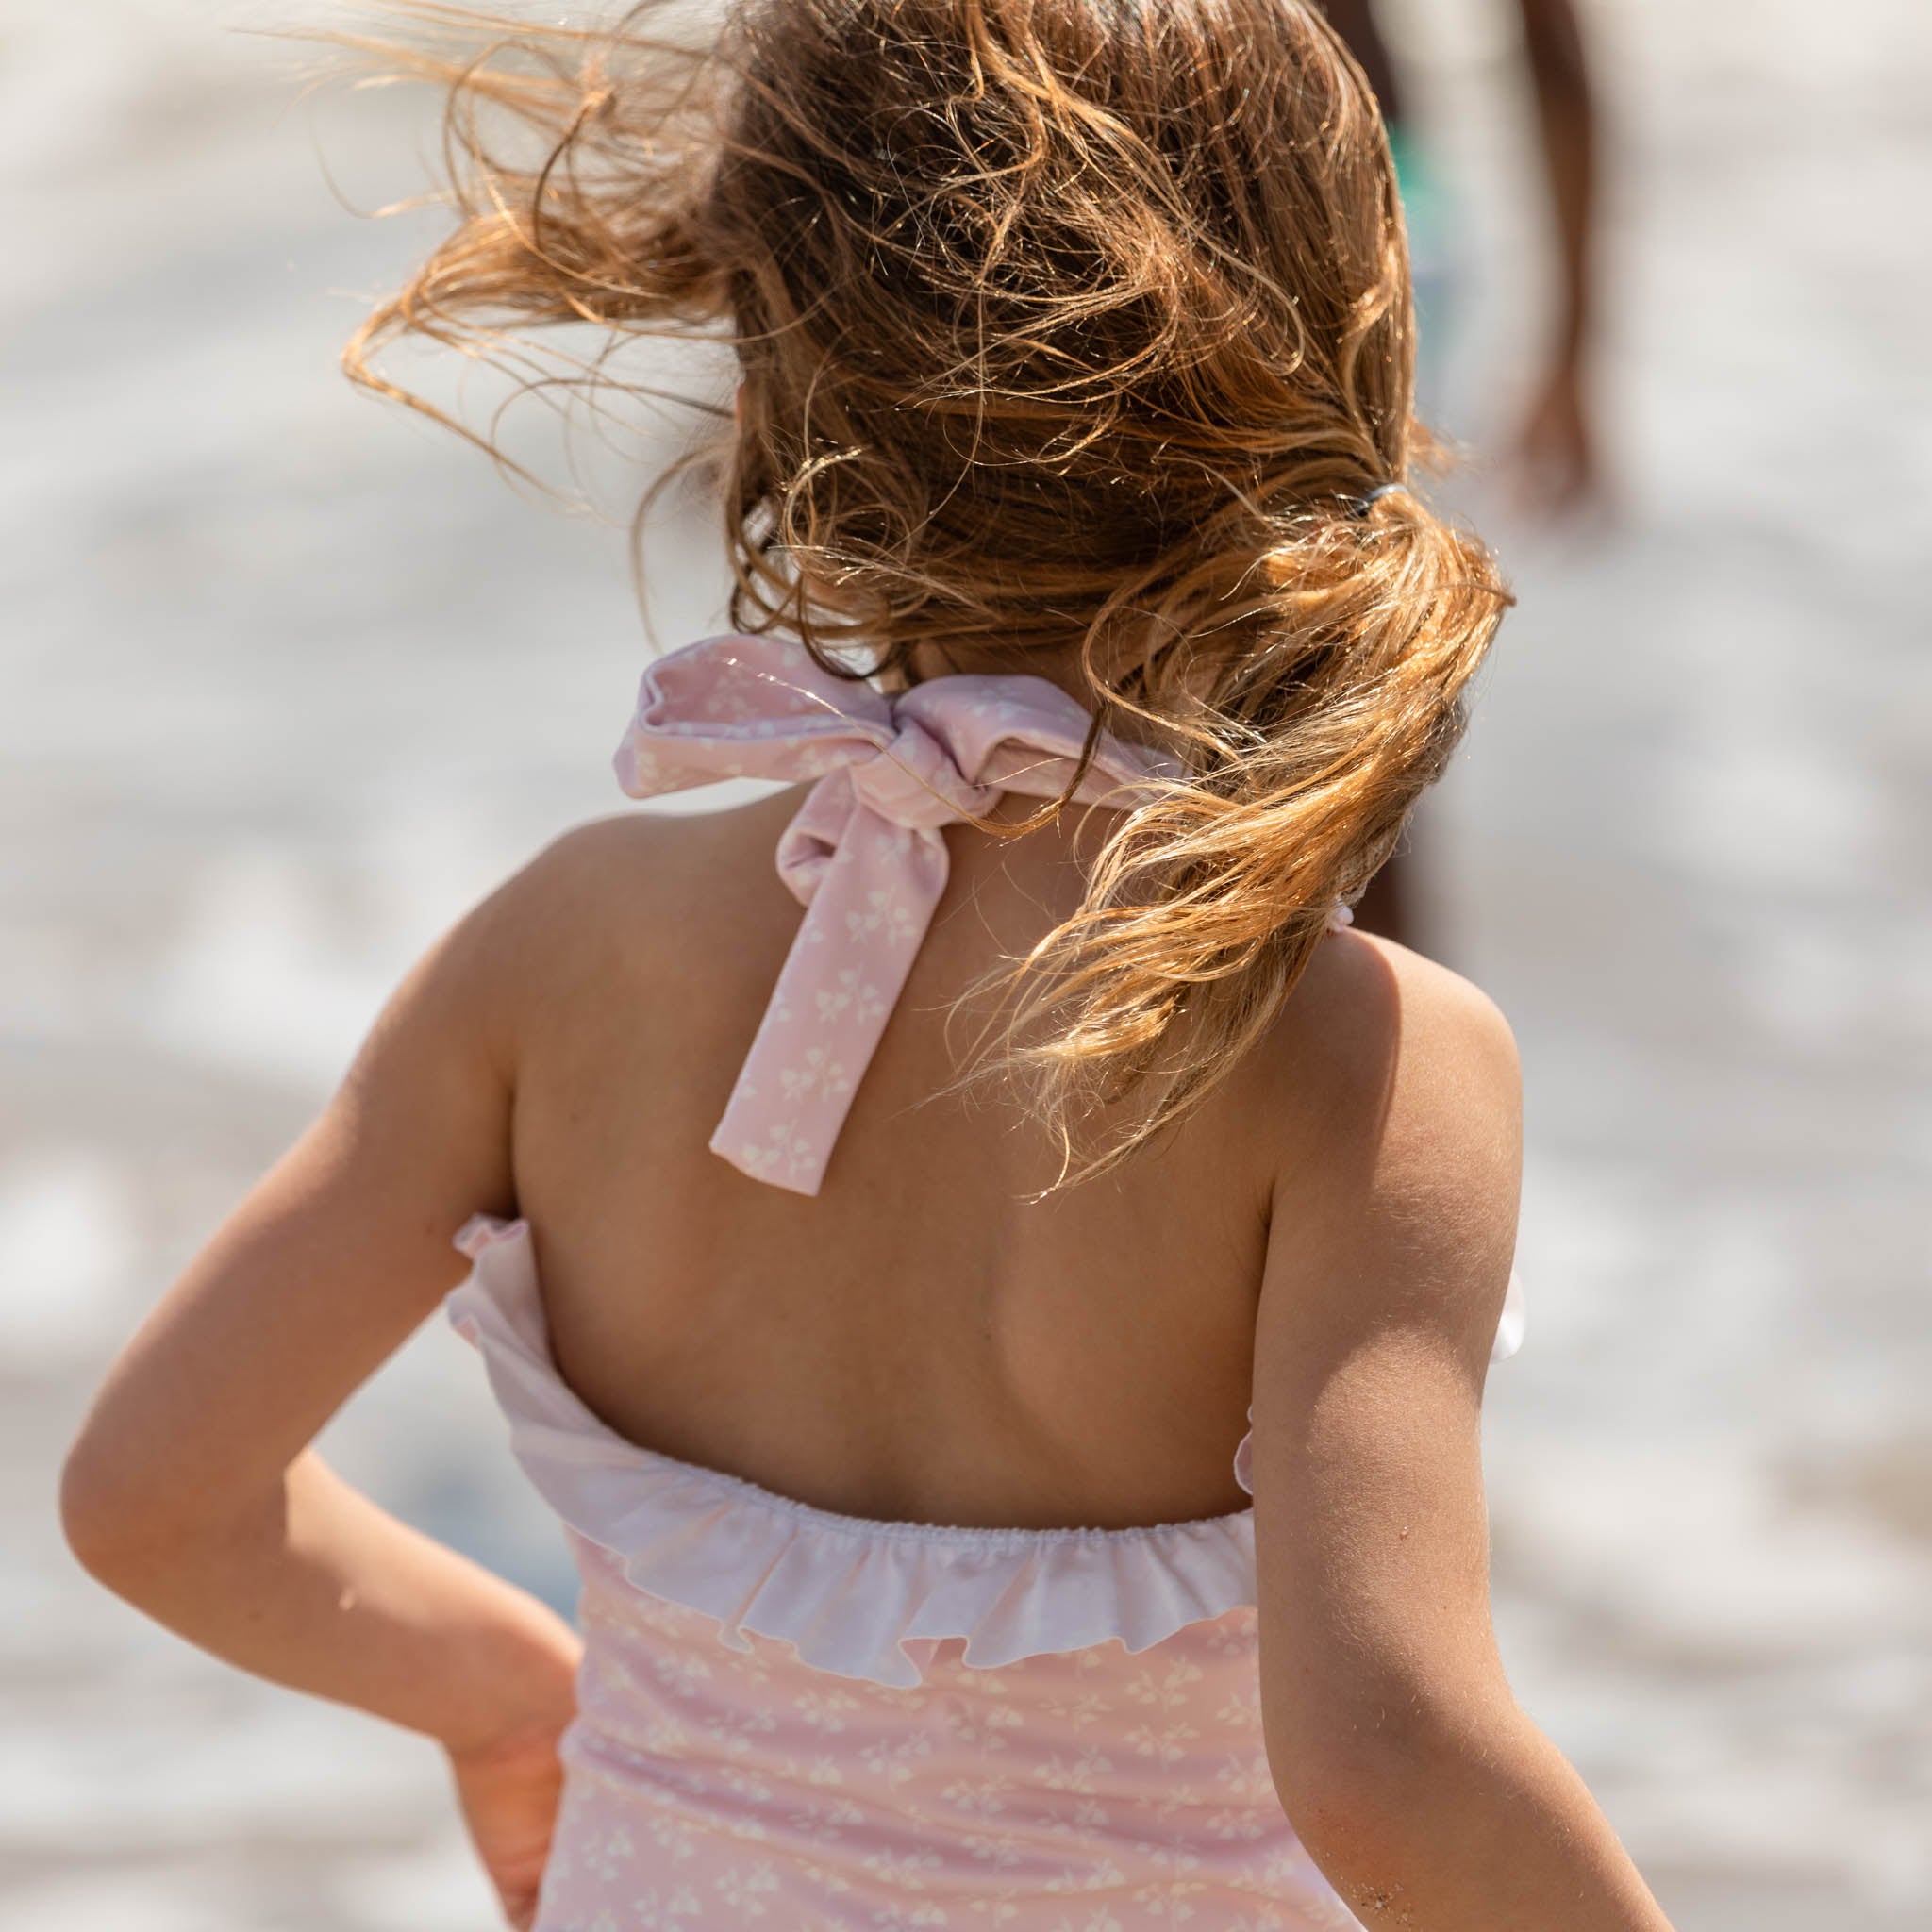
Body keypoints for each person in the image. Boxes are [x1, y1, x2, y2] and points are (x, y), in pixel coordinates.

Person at [60, 5, 1675, 1929]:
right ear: (1349, 359)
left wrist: (506, 1697)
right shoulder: (1362, 1063)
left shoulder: (562, 953)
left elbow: (152, 1496)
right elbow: (1388, 1764)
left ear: (771, 382)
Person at [1321, 0, 1602, 948]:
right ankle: (1409, 1069)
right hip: (1384, 198)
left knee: (1320, 709)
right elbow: (1552, 40)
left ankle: (1409, 1073)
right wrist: (1573, 348)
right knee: (1349, 691)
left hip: (1303, 211)